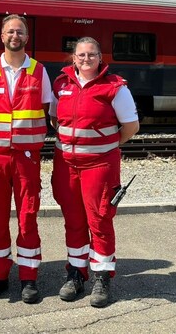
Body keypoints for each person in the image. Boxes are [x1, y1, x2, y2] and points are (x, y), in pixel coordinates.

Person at [50, 37, 140, 308]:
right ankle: (76, 274)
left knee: (99, 220)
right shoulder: (61, 85)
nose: (86, 59)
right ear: (73, 58)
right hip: (66, 164)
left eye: (91, 54)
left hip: (99, 166)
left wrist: (104, 146)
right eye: (81, 54)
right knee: (73, 220)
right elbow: (55, 120)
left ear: (100, 58)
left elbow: (131, 126)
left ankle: (102, 277)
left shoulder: (115, 87)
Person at [0, 14, 53, 304]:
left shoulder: (38, 71)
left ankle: (28, 277)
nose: (14, 36)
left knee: (27, 217)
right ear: (2, 37)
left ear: (26, 37)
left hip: (26, 157)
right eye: (10, 31)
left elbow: (47, 108)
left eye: (19, 31)